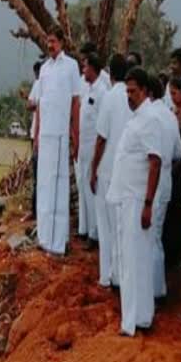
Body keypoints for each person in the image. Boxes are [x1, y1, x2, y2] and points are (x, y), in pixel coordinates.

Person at [107, 67, 162, 336]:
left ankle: (131, 322)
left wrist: (148, 204)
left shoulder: (150, 119)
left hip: (137, 199)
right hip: (127, 196)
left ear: (145, 91)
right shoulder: (137, 118)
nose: (129, 96)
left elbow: (155, 162)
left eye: (133, 91)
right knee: (133, 259)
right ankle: (140, 316)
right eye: (127, 91)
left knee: (133, 260)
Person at [34, 31, 81, 256]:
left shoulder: (71, 66)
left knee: (58, 186)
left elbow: (75, 102)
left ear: (61, 43)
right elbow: (41, 105)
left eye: (53, 41)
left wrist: (75, 133)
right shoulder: (44, 69)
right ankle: (44, 237)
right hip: (46, 135)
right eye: (48, 41)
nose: (49, 44)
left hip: (61, 134)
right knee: (44, 185)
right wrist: (37, 133)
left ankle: (57, 242)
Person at [91, 54, 131, 287]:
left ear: (111, 73)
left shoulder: (109, 97)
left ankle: (107, 275)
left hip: (107, 169)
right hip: (127, 170)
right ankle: (120, 274)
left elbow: (101, 138)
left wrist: (93, 168)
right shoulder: (134, 98)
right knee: (122, 226)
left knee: (106, 226)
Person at [149, 75, 181, 302]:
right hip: (165, 182)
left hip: (151, 182)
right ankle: (157, 286)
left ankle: (154, 288)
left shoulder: (150, 117)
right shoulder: (169, 118)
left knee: (151, 237)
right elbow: (179, 151)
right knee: (156, 234)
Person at [77, 53, 108, 243]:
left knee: (92, 187)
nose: (83, 70)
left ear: (94, 69)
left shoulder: (102, 92)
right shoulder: (87, 90)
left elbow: (101, 126)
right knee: (82, 186)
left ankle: (95, 233)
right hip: (83, 146)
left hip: (93, 147)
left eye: (86, 66)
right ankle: (85, 228)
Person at [164, 77, 181, 271]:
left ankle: (178, 255)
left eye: (175, 93)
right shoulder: (171, 113)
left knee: (180, 214)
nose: (172, 97)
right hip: (173, 169)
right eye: (170, 93)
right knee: (170, 213)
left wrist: (177, 167)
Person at [25, 61, 43, 221]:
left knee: (39, 175)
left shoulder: (40, 83)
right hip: (36, 134)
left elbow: (30, 104)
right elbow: (30, 104)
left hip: (40, 137)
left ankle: (36, 210)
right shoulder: (39, 84)